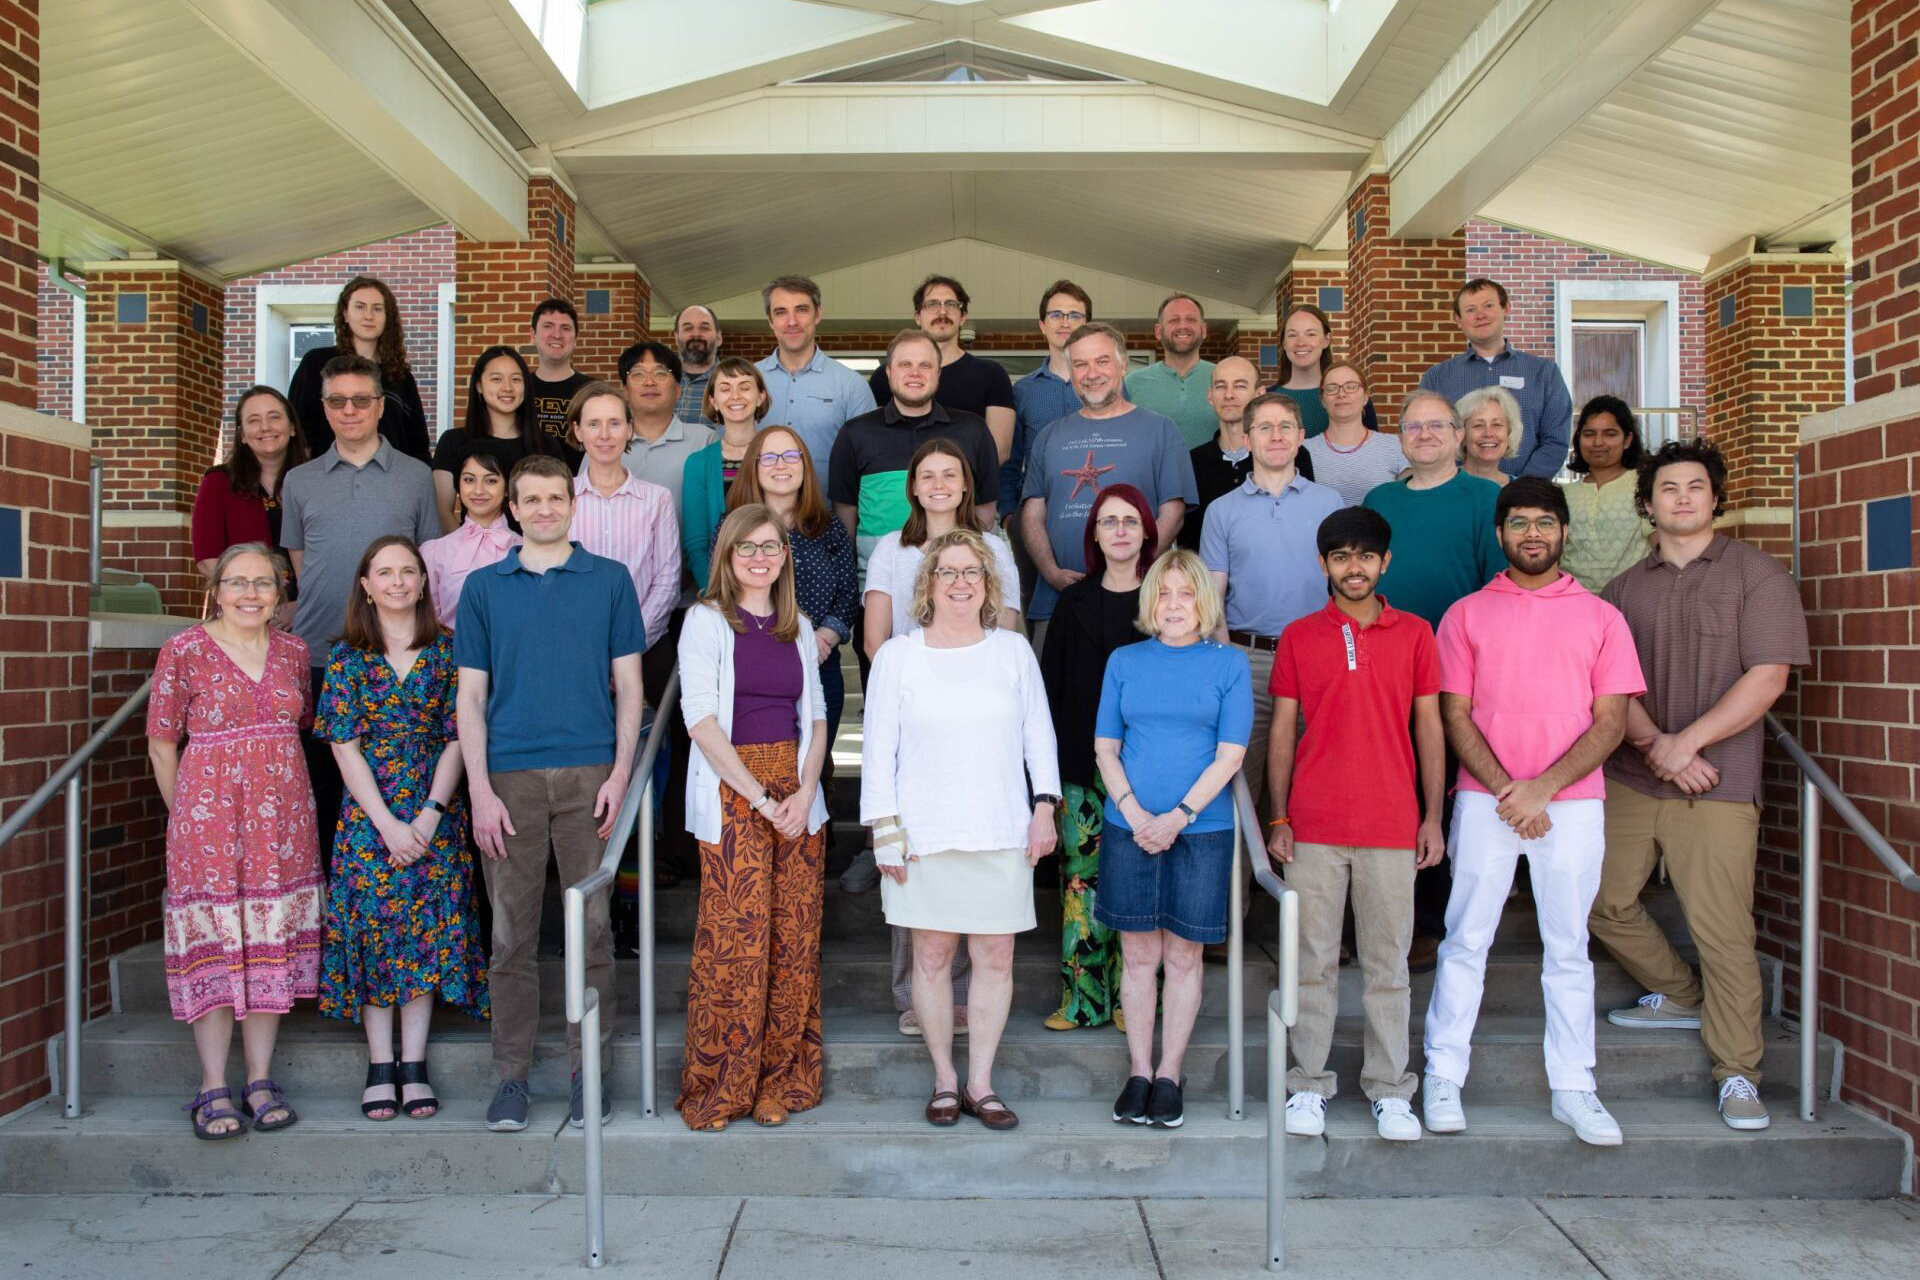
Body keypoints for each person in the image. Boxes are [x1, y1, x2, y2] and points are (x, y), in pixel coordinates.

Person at [1590, 438, 1809, 1132]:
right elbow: (1608, 687)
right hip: (1633, 772)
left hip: (1719, 779)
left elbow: (1768, 676)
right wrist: (1659, 744)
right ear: (1647, 504)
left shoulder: (1758, 575)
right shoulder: (1623, 590)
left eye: (1694, 487)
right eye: (1667, 489)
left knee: (1722, 931)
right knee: (1600, 900)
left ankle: (1738, 1073)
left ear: (1715, 498)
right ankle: (1679, 993)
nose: (1681, 499)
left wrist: (1690, 744)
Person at [1422, 477, 1643, 1147]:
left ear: (1565, 531)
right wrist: (1509, 790)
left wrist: (1541, 788)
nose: (1532, 534)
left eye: (1545, 522)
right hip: (1486, 801)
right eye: (1518, 523)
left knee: (1569, 948)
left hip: (1569, 805)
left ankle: (1575, 1086)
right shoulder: (1464, 614)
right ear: (1500, 534)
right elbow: (1453, 714)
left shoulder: (1602, 616)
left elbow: (1612, 721)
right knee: (1464, 940)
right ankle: (1442, 1075)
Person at [454, 454, 646, 1132]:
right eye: (529, 499)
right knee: (510, 937)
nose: (542, 510)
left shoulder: (611, 581)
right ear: (511, 508)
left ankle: (585, 1073)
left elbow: (630, 687)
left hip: (591, 773)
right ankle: (510, 1077)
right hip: (507, 779)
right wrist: (477, 789)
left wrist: (622, 773)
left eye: (554, 498)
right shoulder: (482, 588)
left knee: (592, 935)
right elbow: (470, 698)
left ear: (573, 504)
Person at [863, 529, 1061, 1131]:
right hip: (923, 831)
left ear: (987, 582)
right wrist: (885, 830)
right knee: (931, 953)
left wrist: (1045, 806)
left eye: (970, 572)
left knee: (996, 954)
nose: (959, 582)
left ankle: (982, 1082)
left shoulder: (1012, 651)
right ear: (927, 584)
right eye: (946, 572)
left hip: (999, 826)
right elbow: (878, 751)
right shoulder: (899, 655)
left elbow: (1038, 734)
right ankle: (945, 1080)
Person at [1269, 507, 1444, 1143]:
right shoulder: (1299, 636)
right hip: (1313, 822)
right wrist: (1279, 813)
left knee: (1387, 964)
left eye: (1365, 556)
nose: (1354, 567)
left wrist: (1432, 816)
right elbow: (1283, 730)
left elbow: (1429, 726)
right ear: (1323, 564)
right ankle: (1307, 1085)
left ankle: (1391, 1089)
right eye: (1341, 556)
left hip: (1393, 822)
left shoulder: (1417, 634)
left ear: (1384, 562)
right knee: (1311, 961)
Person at [146, 544, 322, 1139]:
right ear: (216, 589)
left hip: (284, 824)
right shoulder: (184, 651)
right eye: (237, 582)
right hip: (207, 825)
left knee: (269, 944)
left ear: (279, 593)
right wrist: (187, 819)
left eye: (264, 583)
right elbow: (162, 744)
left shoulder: (295, 653)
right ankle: (212, 1084)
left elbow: (297, 728)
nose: (251, 594)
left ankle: (260, 1078)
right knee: (219, 946)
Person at [315, 536, 488, 1120]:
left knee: (422, 934)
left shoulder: (449, 650)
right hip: (369, 817)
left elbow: (460, 735)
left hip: (434, 809)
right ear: (365, 584)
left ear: (422, 580)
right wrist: (388, 824)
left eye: (407, 571)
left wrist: (430, 815)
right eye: (384, 572)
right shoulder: (345, 656)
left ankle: (413, 1065)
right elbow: (343, 744)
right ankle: (379, 1064)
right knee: (374, 934)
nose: (396, 582)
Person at [676, 504, 831, 1130]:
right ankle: (723, 1083)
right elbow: (701, 720)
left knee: (793, 941)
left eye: (771, 547)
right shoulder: (707, 620)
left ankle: (779, 1079)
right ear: (728, 556)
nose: (760, 557)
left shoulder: (798, 625)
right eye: (748, 548)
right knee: (736, 941)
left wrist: (802, 790)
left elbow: (818, 718)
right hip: (733, 791)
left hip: (797, 795)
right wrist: (762, 799)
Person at [857, 439, 1021, 1024]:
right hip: (913, 714)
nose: (939, 484)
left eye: (950, 474)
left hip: (979, 725)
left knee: (970, 861)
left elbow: (1009, 635)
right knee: (913, 856)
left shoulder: (995, 548)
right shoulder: (891, 550)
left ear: (966, 483)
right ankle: (914, 997)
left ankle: (963, 999)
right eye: (927, 475)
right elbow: (875, 639)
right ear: (914, 487)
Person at [1094, 550, 1251, 1129]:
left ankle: (1170, 1074)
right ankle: (1138, 1071)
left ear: (1204, 603)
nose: (1175, 604)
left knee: (1184, 955)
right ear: (1150, 602)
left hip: (1201, 830)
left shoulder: (1229, 665)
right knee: (1137, 955)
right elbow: (1106, 747)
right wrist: (1136, 813)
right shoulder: (1124, 660)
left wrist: (1178, 816)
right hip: (1128, 826)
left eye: (1187, 594)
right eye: (1164, 593)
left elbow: (1230, 756)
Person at [1362, 389, 1506, 969]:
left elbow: (1499, 590)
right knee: (1385, 787)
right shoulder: (1380, 499)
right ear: (1400, 437)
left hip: (1457, 671)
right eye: (1413, 427)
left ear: (1457, 435)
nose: (1424, 435)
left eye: (1436, 426)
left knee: (1439, 795)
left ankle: (1430, 921)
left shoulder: (1484, 498)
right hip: (1382, 668)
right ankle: (1375, 916)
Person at [281, 354, 442, 863]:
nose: (349, 410)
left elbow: (426, 560)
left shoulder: (416, 476)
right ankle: (335, 903)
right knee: (325, 785)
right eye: (337, 401)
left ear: (379, 406)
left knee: (400, 783)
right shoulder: (299, 481)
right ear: (324, 410)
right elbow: (303, 565)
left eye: (361, 400)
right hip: (321, 656)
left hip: (400, 658)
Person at [1038, 485, 1158, 1030]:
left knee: (1136, 883)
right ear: (1094, 535)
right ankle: (1083, 1001)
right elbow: (1051, 690)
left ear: (1147, 532)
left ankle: (1133, 1003)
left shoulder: (1164, 602)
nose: (1119, 531)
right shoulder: (1073, 601)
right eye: (1108, 522)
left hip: (1147, 769)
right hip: (1081, 768)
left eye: (1129, 520)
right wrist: (1050, 777)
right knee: (1081, 882)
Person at [1200, 392, 1342, 826]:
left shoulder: (1331, 504)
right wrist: (1229, 667)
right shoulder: (1221, 511)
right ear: (1247, 438)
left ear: (1301, 436)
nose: (1275, 436)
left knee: (1310, 784)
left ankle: (1301, 893)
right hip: (1249, 661)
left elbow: (1344, 592)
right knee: (1241, 783)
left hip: (1316, 662)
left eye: (1285, 427)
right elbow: (1213, 599)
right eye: (1264, 427)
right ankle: (1239, 893)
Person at [1022, 322, 1196, 646]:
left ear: (1123, 365)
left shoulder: (1161, 430)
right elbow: (1033, 514)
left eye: (1102, 361)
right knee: (1056, 695)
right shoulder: (1048, 436)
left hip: (1140, 602)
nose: (1091, 373)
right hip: (1058, 601)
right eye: (1080, 364)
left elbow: (1172, 513)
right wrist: (1050, 572)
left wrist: (1130, 572)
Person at [727, 425, 859, 748]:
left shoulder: (828, 528)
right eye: (769, 457)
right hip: (754, 671)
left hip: (820, 665)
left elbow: (848, 593)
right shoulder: (731, 526)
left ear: (804, 465)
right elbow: (725, 593)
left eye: (790, 455)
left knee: (816, 767)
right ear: (753, 468)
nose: (780, 464)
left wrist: (820, 640)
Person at [829, 329, 1000, 577]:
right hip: (878, 581)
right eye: (905, 364)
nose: (915, 373)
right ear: (889, 372)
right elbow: (845, 514)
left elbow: (985, 507)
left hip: (955, 582)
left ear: (938, 373)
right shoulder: (855, 433)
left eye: (925, 365)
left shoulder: (972, 429)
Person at [1417, 278, 1572, 479]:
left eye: (1488, 306)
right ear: (1458, 319)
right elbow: (1427, 438)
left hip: (1523, 497)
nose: (1480, 315)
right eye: (1471, 310)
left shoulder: (1543, 372)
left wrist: (1518, 487)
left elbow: (1555, 440)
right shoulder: (1437, 378)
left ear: (1506, 308)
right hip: (1456, 493)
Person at [568, 383, 681, 652]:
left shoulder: (657, 499)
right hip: (574, 647)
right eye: (593, 424)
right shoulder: (560, 498)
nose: (604, 435)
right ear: (578, 430)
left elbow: (668, 581)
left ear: (629, 429)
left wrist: (628, 643)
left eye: (615, 423)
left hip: (644, 644)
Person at [868, 274, 1016, 460]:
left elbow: (998, 451)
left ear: (963, 317)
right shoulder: (887, 376)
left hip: (968, 486)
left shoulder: (991, 374)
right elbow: (875, 439)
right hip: (900, 483)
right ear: (917, 316)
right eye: (933, 304)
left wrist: (951, 481)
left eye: (951, 305)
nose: (942, 312)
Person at [288, 276, 430, 464]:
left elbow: (417, 445)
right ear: (345, 314)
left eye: (377, 308)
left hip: (389, 484)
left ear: (387, 317)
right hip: (327, 481)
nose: (369, 316)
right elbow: (298, 432)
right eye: (360, 307)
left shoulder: (400, 377)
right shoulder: (316, 364)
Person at [192, 386, 309, 596]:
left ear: (292, 426)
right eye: (253, 420)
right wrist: (258, 599)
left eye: (274, 417)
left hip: (311, 613)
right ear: (242, 435)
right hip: (244, 609)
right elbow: (208, 561)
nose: (265, 427)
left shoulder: (317, 482)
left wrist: (300, 607)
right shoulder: (218, 483)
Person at [756, 275, 877, 469]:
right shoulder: (747, 381)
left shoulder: (852, 385)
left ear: (818, 314)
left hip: (826, 500)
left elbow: (869, 459)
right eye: (781, 312)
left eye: (801, 310)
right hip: (754, 500)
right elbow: (726, 451)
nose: (792, 321)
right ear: (770, 320)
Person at [432, 346, 555, 531]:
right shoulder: (453, 441)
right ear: (479, 385)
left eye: (516, 379)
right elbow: (442, 511)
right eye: (497, 379)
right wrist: (466, 552)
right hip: (471, 556)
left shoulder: (546, 445)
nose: (507, 387)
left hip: (535, 555)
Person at [1000, 280, 1088, 530]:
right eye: (1056, 315)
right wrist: (1008, 514)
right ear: (1042, 325)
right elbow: (1011, 459)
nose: (1065, 322)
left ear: (1087, 325)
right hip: (1036, 516)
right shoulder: (1023, 390)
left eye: (1074, 315)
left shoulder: (1107, 387)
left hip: (1097, 513)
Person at [683, 357, 771, 589]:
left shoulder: (780, 455)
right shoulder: (698, 463)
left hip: (777, 584)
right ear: (713, 400)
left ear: (761, 396)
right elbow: (697, 545)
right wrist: (717, 596)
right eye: (725, 388)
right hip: (721, 589)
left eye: (745, 387)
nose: (735, 395)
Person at [420, 451, 521, 630]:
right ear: (458, 486)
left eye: (491, 480)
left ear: (506, 488)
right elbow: (428, 624)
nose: (478, 490)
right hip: (451, 655)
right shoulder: (435, 552)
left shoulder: (524, 549)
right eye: (469, 480)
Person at [1562, 396, 1649, 593]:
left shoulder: (1644, 484)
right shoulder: (1564, 495)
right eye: (1589, 434)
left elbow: (1662, 548)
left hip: (1633, 602)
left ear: (1627, 440)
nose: (1598, 442)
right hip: (1575, 604)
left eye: (1610, 434)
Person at [618, 340, 714, 513]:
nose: (649, 382)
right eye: (638, 374)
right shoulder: (604, 443)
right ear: (625, 389)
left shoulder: (705, 441)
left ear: (678, 389)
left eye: (660, 373)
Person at [1181, 356, 1264, 553]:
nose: (1228, 395)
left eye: (1240, 386)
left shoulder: (1285, 457)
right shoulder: (1192, 462)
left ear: (1259, 394)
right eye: (1220, 386)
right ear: (1210, 396)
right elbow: (1189, 538)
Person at [1302, 361, 1406, 506]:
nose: (1341, 394)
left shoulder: (1395, 446)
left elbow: (1410, 501)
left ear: (1365, 397)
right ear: (1323, 400)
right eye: (1331, 388)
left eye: (1351, 387)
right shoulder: (1304, 450)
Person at [1124, 294, 1217, 449]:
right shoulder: (1132, 383)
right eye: (1174, 320)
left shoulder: (1223, 378)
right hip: (1152, 473)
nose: (1183, 326)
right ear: (1158, 331)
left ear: (1204, 330)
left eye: (1191, 319)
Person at [1272, 303, 1378, 437]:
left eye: (1311, 334)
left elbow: (1371, 446)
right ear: (1283, 342)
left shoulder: (1352, 396)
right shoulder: (1267, 397)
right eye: (1292, 335)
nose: (1300, 342)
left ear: (1326, 340)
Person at [526, 298, 592, 455]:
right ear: (532, 335)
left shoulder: (592, 391)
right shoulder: (517, 388)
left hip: (576, 479)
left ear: (576, 339)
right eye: (548, 326)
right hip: (520, 479)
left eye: (566, 328)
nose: (557, 335)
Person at [1457, 385, 1521, 488]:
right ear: (1461, 435)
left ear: (1509, 433)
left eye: (1497, 425)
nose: (1488, 433)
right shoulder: (1441, 486)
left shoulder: (1523, 491)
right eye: (1478, 425)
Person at [673, 304, 723, 422]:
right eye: (688, 328)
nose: (695, 334)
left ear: (719, 337)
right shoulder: (659, 381)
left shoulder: (732, 383)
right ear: (676, 337)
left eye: (704, 328)